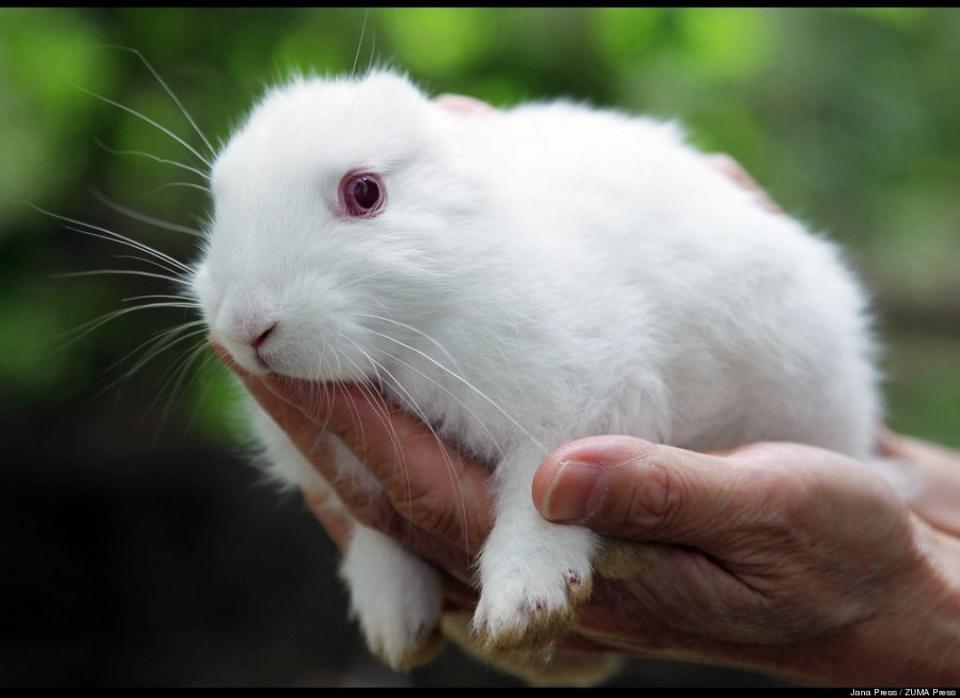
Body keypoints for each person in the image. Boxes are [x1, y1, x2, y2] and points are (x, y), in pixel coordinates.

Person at [212, 96, 960, 683]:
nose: (247, 315)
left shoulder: (510, 282)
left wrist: (537, 534)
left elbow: (607, 375)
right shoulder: (259, 318)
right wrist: (380, 539)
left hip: (778, 399)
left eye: (363, 194)